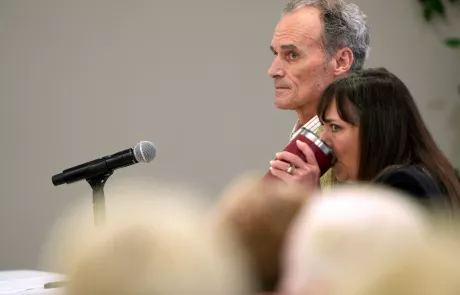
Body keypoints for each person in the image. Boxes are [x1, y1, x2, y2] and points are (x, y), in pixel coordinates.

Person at [270, 67, 460, 209]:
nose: (324, 138)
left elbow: (358, 260)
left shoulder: (404, 186)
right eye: (323, 126)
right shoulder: (423, 175)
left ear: (376, 131)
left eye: (335, 127)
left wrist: (311, 202)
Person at [267, 0, 370, 188]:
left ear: (340, 61)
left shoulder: (367, 143)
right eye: (276, 54)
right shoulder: (308, 136)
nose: (273, 71)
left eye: (292, 55)